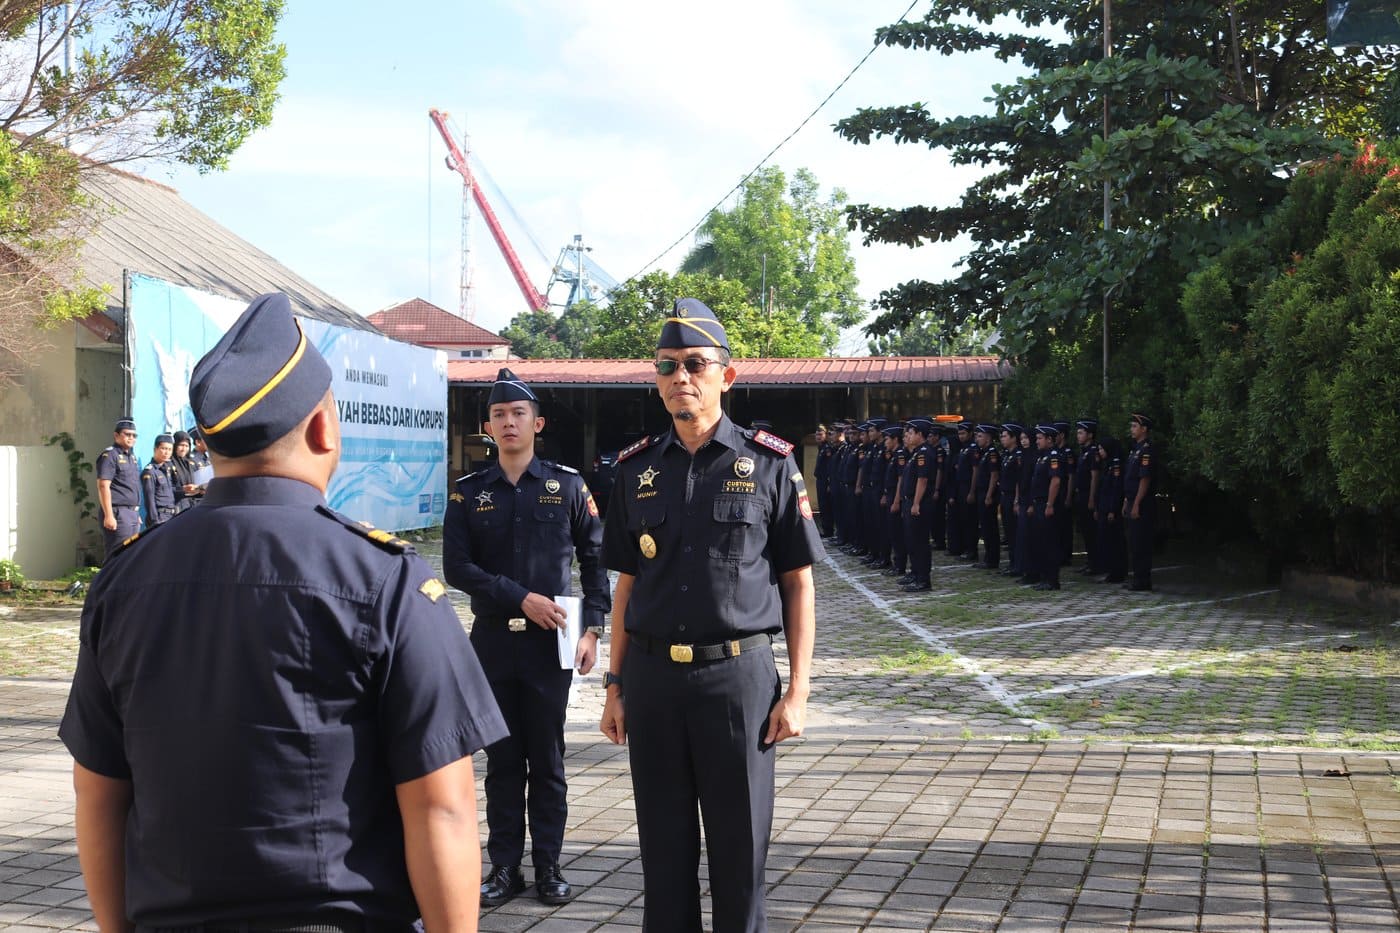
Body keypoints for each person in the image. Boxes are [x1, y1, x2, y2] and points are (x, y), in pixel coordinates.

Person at [59, 293, 507, 933]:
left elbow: (98, 792)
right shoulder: (384, 577)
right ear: (325, 427)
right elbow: (441, 808)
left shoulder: (124, 578)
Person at [598, 298, 821, 932]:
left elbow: (798, 583)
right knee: (663, 857)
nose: (680, 378)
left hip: (738, 680)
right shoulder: (634, 470)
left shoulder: (770, 463)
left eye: (695, 364)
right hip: (652, 679)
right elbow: (625, 586)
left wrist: (799, 691)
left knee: (739, 853)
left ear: (727, 374)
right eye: (666, 367)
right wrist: (613, 687)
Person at [442, 367, 611, 907]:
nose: (509, 422)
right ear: (487, 426)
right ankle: (504, 869)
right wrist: (520, 598)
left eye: (518, 414)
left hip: (551, 646)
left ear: (537, 423)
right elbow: (457, 568)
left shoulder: (568, 486)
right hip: (492, 643)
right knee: (502, 761)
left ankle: (549, 867)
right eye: (498, 415)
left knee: (548, 758)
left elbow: (594, 558)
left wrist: (593, 628)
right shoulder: (469, 494)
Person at [95, 418, 142, 560]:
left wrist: (135, 511)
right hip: (118, 513)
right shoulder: (110, 455)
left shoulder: (131, 457)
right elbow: (103, 485)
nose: (131, 438)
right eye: (127, 434)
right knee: (117, 556)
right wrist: (109, 515)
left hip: (132, 514)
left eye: (134, 435)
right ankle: (106, 583)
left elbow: (131, 487)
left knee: (130, 556)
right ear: (116, 435)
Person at [899, 417, 936, 592]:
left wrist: (916, 503)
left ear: (920, 434)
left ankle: (923, 580)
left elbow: (922, 480)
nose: (908, 435)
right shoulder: (915, 453)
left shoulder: (924, 453)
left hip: (919, 503)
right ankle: (915, 573)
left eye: (911, 433)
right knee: (911, 540)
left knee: (920, 542)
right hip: (910, 502)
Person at [1124, 412, 1157, 591]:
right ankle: (1138, 577)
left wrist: (1136, 503)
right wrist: (1127, 501)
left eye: (1135, 426)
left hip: (1142, 502)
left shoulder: (1147, 450)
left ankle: (1143, 580)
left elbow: (1144, 479)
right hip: (1131, 499)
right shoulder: (1135, 449)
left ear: (1144, 429)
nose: (1132, 429)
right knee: (1134, 542)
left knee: (1141, 542)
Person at [1029, 424, 1064, 591]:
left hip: (1047, 503)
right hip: (1039, 503)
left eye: (1040, 438)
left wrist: (1049, 504)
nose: (1037, 441)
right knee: (1041, 542)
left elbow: (1055, 481)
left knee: (1050, 543)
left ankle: (1052, 579)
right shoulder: (1042, 456)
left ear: (1049, 439)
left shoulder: (1054, 456)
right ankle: (1044, 578)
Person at [971, 424, 1001, 570]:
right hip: (981, 492)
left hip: (988, 493)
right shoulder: (983, 453)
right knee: (985, 527)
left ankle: (992, 559)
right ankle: (988, 558)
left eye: (980, 436)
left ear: (988, 437)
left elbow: (994, 475)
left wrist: (989, 495)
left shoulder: (992, 453)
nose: (977, 439)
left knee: (990, 527)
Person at [1073, 420, 1101, 574]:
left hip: (1087, 494)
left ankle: (1096, 563)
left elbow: (1094, 476)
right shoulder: (1084, 452)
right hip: (1081, 493)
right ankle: (1090, 561)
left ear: (1090, 435)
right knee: (1085, 530)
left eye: (1081, 432)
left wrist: (1091, 498)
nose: (1078, 435)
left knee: (1091, 531)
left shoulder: (1093, 452)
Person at [140, 434, 178, 528]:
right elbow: (149, 500)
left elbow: (171, 491)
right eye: (164, 448)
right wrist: (155, 521)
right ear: (155, 449)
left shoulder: (167, 468)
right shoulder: (150, 471)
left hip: (172, 515)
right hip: (160, 517)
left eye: (170, 449)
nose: (167, 452)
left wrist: (186, 490)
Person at [168, 430, 198, 513]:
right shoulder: (169, 463)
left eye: (186, 446)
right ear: (175, 445)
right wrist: (182, 489)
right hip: (177, 508)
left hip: (191, 506)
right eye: (181, 445)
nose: (184, 449)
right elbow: (166, 489)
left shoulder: (189, 463)